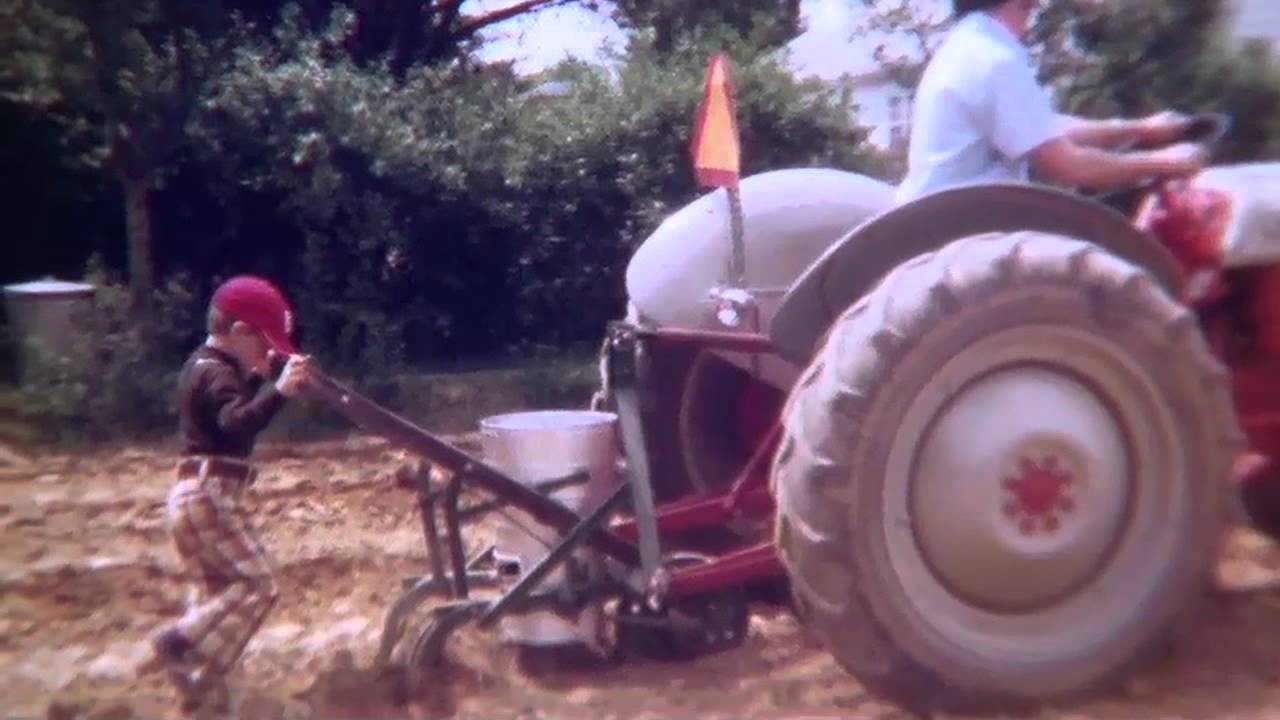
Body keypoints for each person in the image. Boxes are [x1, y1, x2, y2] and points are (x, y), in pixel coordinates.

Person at [139, 275, 312, 715]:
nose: (267, 352)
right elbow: (235, 423)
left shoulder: (204, 367)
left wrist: (261, 380)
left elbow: (226, 418)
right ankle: (177, 645)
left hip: (195, 493)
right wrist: (279, 392)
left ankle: (205, 697)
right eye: (263, 342)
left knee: (220, 599)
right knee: (258, 585)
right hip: (209, 493)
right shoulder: (216, 372)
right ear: (238, 333)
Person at [895, 0, 1209, 205]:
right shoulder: (992, 59)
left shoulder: (972, 45)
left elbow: (1044, 129)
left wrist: (1141, 130)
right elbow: (1071, 167)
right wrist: (1166, 162)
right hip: (962, 229)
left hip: (948, 217)